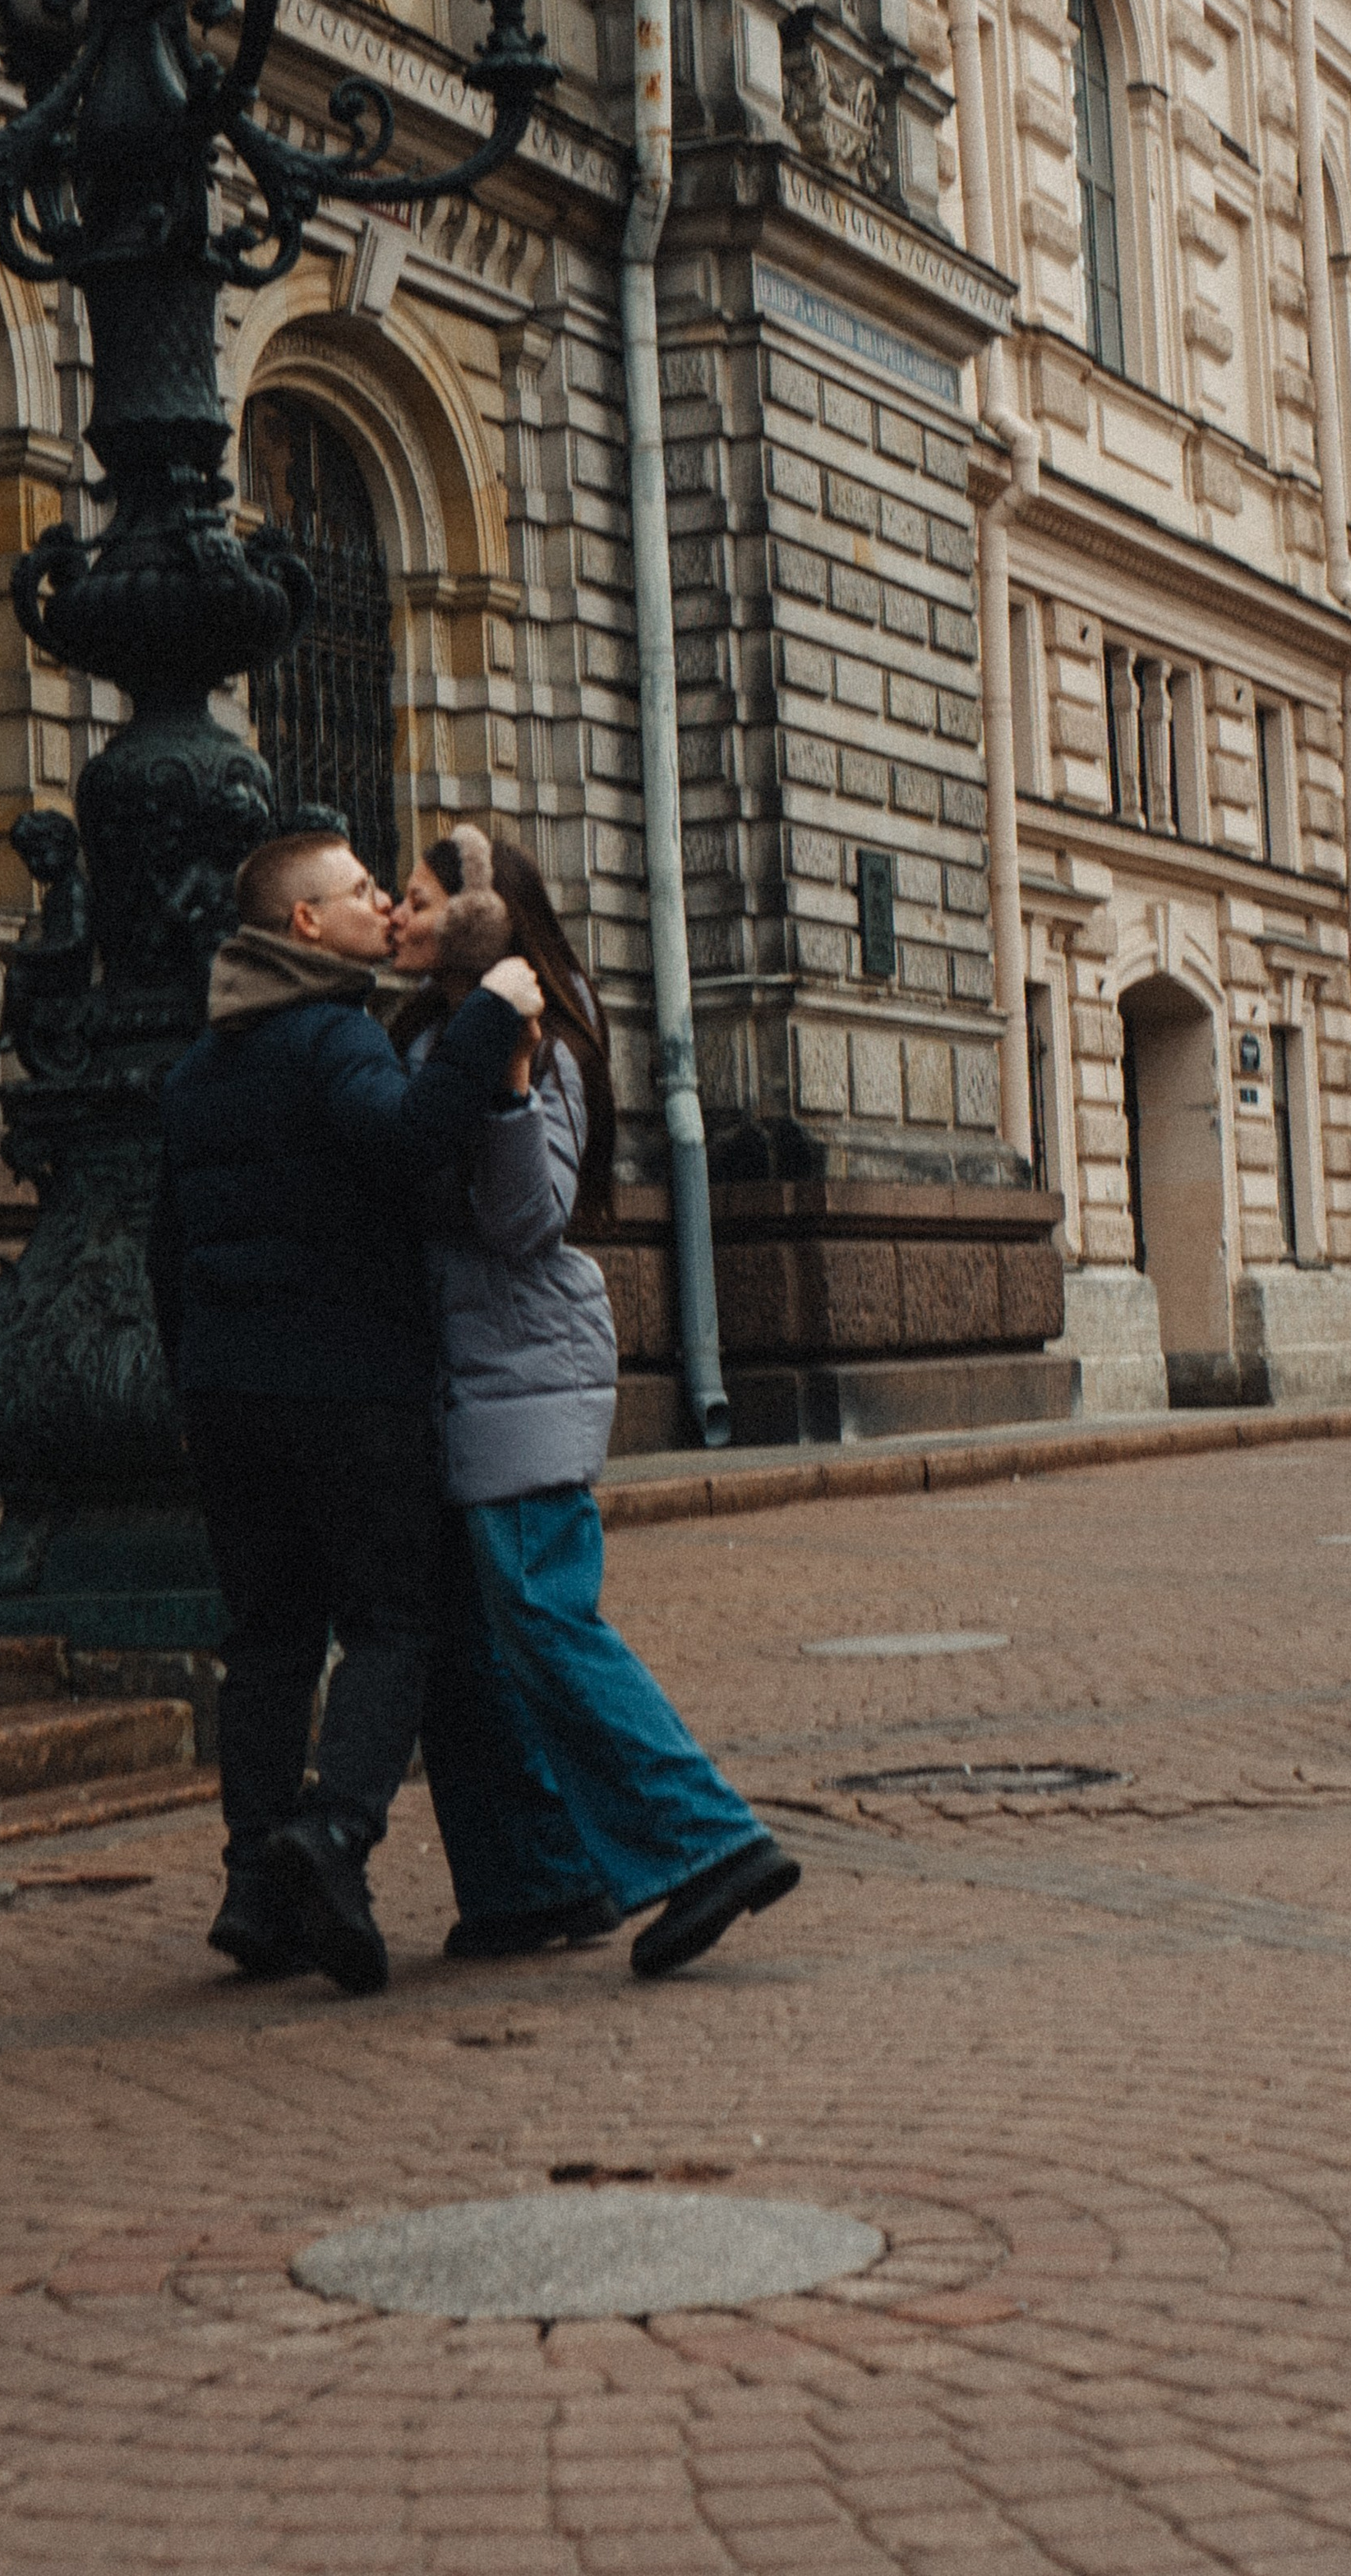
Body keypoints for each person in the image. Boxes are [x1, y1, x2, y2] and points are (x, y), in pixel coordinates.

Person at [389, 825, 800, 1979]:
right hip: (455, 1372)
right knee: (468, 1645)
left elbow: (529, 1222)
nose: (401, 914)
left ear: (481, 918)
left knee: (541, 1612)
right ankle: (537, 1882)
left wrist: (512, 1084)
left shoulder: (550, 1050)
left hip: (524, 1366)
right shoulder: (416, 1035)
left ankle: (712, 1842)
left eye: (419, 898)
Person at [147, 827, 542, 1997]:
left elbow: (167, 1249)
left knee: (268, 1641)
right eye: (362, 890)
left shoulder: (196, 1071)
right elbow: (409, 1140)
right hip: (349, 1387)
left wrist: (194, 1378)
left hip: (227, 1395)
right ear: (305, 925)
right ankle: (333, 1836)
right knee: (390, 1624)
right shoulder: (333, 1037)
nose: (385, 904)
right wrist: (490, 1018)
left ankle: (252, 1892)